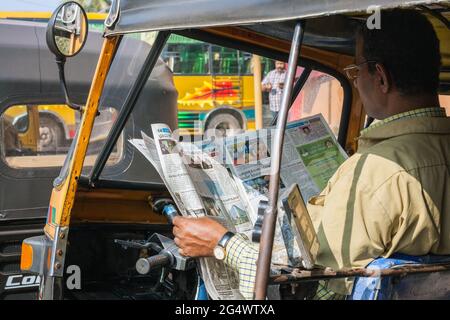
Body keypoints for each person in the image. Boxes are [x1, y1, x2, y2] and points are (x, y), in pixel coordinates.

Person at [172, 9, 450, 299]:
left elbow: (310, 276)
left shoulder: (377, 172)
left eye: (356, 71)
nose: (355, 81)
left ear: (380, 77)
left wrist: (222, 243)